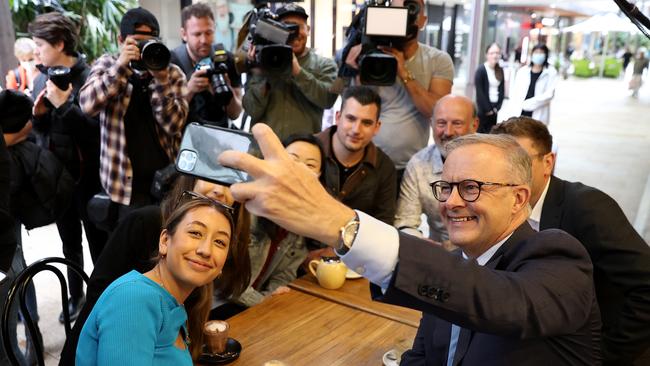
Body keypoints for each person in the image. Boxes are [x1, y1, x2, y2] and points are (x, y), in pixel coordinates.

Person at [218, 124, 601, 365]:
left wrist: (340, 224)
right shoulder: (453, 272)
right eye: (445, 187)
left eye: (470, 188)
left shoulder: (557, 256)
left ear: (519, 198)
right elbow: (421, 357)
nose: (450, 203)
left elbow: (501, 302)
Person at [491, 116, 650, 366]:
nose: (508, 174)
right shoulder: (503, 207)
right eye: (499, 164)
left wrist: (605, 356)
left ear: (548, 163)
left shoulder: (588, 208)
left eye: (520, 162)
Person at [60, 175, 251, 364]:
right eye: (195, 232)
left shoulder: (173, 305)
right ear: (165, 241)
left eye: (219, 242)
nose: (205, 250)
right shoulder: (134, 300)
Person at [29, 11, 108, 323]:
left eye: (39, 45)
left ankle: (102, 299)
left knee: (99, 245)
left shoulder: (93, 78)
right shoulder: (41, 77)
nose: (36, 52)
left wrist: (64, 104)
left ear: (60, 43)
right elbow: (41, 133)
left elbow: (98, 135)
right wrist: (39, 115)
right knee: (69, 245)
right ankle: (75, 296)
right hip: (57, 179)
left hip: (92, 179)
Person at [79, 7, 188, 223]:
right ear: (121, 40)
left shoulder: (171, 72)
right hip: (123, 189)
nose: (143, 47)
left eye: (150, 41)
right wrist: (121, 67)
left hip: (166, 184)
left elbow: (174, 125)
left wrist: (161, 80)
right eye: (137, 41)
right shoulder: (107, 65)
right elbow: (87, 105)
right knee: (129, 253)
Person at [343, 0, 454, 184]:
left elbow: (437, 112)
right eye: (398, 8)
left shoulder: (438, 60)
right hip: (366, 161)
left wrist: (403, 73)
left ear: (423, 20)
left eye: (411, 8)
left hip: (411, 167)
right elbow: (355, 108)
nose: (405, 14)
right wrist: (355, 70)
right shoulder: (368, 56)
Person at [233, 134, 323, 310]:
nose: (300, 170)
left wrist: (270, 299)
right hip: (217, 307)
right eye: (292, 160)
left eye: (310, 165)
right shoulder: (245, 206)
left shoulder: (303, 223)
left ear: (318, 176)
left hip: (254, 308)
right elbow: (225, 281)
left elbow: (284, 276)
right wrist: (263, 303)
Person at [242, 3, 338, 140]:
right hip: (263, 153)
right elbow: (252, 110)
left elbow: (328, 100)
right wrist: (259, 72)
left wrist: (297, 71)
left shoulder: (324, 65)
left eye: (299, 27)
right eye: (286, 27)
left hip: (303, 154)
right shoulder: (262, 61)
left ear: (308, 29)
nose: (294, 33)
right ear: (276, 31)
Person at [394, 95, 478, 244]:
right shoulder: (418, 164)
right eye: (441, 123)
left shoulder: (493, 161)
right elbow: (405, 222)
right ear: (431, 124)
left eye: (457, 123)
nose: (448, 132)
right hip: (439, 254)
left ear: (474, 125)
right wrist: (422, 246)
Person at [316, 86, 396, 224]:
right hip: (302, 242)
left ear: (376, 127)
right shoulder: (307, 149)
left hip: (356, 245)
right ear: (338, 117)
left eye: (366, 123)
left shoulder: (384, 167)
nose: (356, 130)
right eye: (351, 119)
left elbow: (384, 225)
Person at [171, 3, 242, 127]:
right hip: (186, 139)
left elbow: (235, 114)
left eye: (208, 33)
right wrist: (189, 90)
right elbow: (168, 119)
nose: (204, 40)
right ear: (184, 34)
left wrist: (226, 89)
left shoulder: (226, 60)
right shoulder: (173, 63)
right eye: (197, 34)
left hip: (220, 135)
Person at [506, 44, 557, 125]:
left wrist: (529, 103)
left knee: (535, 135)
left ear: (546, 55)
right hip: (521, 110)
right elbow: (515, 92)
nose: (538, 55)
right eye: (536, 52)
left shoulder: (551, 72)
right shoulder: (522, 71)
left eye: (541, 53)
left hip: (538, 112)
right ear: (532, 54)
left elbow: (549, 94)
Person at [474, 43, 504, 133]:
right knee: (480, 134)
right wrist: (488, 110)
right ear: (487, 55)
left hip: (495, 109)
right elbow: (480, 92)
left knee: (491, 134)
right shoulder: (481, 70)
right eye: (492, 53)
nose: (495, 55)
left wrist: (497, 108)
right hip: (483, 110)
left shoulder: (500, 70)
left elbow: (502, 90)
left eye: (497, 53)